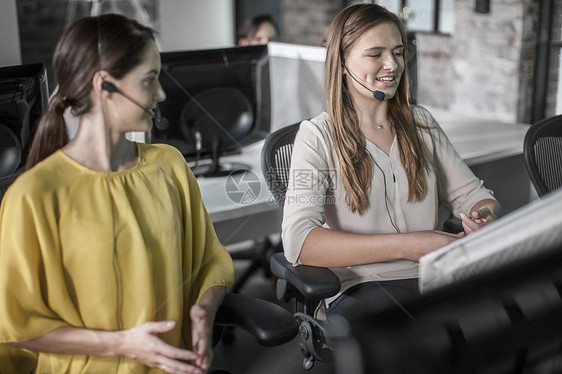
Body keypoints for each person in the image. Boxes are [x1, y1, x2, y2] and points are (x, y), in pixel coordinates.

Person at [0, 14, 234, 374]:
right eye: (149, 79)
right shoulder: (33, 195)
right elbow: (19, 326)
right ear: (104, 85)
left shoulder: (168, 165)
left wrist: (204, 310)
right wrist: (122, 344)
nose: (161, 93)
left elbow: (211, 260)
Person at [281, 4, 501, 320]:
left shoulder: (421, 123)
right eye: (376, 54)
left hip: (433, 277)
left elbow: (476, 197)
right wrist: (405, 246)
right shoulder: (317, 136)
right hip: (361, 287)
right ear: (342, 63)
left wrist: (484, 218)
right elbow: (299, 242)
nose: (392, 65)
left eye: (398, 52)